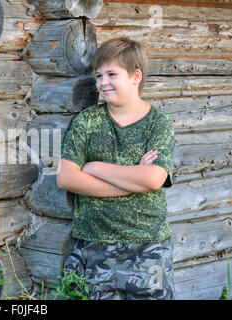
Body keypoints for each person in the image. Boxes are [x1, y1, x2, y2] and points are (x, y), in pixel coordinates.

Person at [56, 36, 176, 300]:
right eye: (98, 76)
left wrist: (94, 166)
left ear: (135, 76)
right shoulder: (88, 121)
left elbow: (154, 178)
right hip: (93, 246)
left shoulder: (158, 123)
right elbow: (66, 177)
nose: (103, 82)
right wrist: (133, 180)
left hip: (148, 247)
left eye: (112, 74)